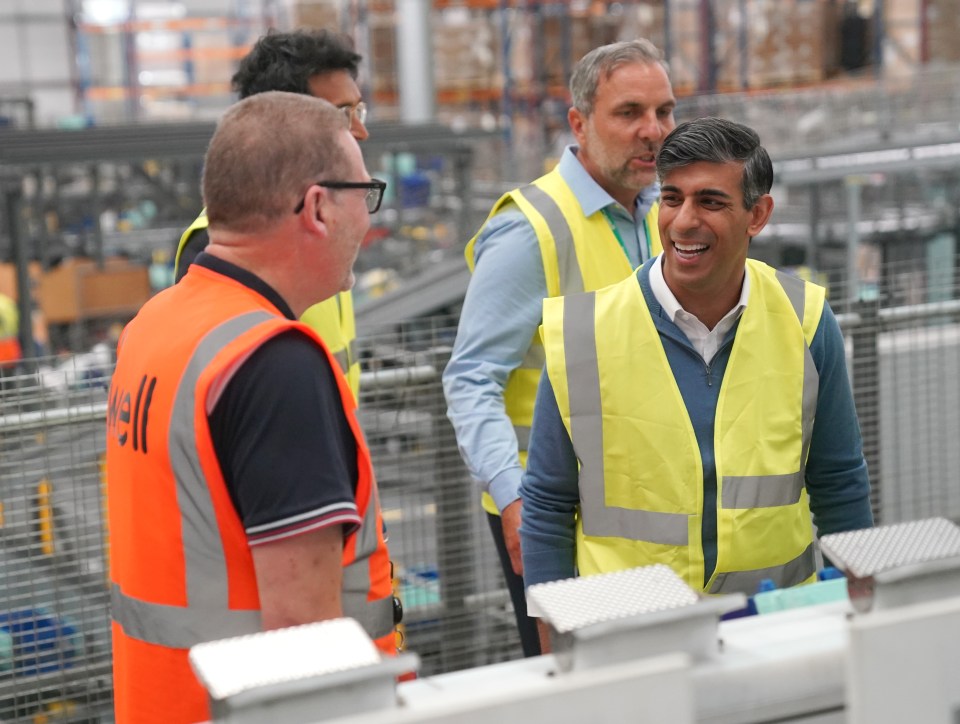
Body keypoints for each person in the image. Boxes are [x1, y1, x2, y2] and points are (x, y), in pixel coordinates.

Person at [520, 117, 874, 649]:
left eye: (710, 202)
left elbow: (840, 482)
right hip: (628, 633)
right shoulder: (582, 334)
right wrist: (553, 650)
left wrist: (866, 618)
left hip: (777, 627)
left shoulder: (806, 321)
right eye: (671, 198)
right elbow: (547, 504)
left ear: (758, 214)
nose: (684, 222)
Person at [106, 92, 393, 724]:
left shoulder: (156, 324)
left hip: (163, 702)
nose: (368, 221)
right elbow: (304, 642)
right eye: (364, 195)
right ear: (318, 207)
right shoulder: (273, 364)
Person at [442, 39, 677, 658]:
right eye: (629, 113)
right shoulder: (531, 228)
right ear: (579, 123)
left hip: (650, 506)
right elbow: (470, 379)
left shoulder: (660, 215)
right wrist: (514, 496)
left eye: (664, 112)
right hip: (552, 516)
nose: (652, 131)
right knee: (579, 688)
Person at [174, 29, 370, 398]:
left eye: (359, 111)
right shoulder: (219, 244)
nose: (360, 131)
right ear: (283, 119)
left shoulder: (322, 225)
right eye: (343, 115)